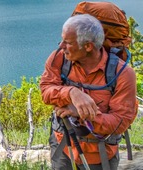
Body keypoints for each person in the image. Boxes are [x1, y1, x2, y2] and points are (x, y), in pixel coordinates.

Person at [40, 14, 137, 170]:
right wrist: (71, 92)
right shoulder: (60, 58)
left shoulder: (122, 73)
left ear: (88, 46)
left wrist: (80, 113)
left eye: (68, 42)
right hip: (63, 147)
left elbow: (120, 122)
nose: (61, 46)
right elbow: (45, 91)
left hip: (100, 154)